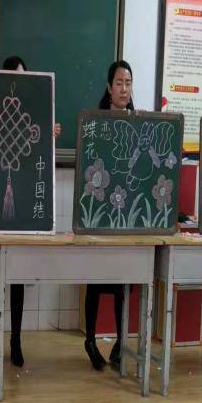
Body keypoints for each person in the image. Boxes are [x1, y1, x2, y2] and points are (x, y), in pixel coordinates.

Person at [0, 55, 61, 367]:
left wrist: (49, 136)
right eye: (15, 75)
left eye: (24, 75)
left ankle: (15, 340)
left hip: (21, 206)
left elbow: (38, 160)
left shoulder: (33, 111)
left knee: (16, 278)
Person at [83, 60, 134, 371]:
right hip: (101, 214)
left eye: (128, 83)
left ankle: (120, 342)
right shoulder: (96, 123)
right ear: (108, 87)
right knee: (95, 279)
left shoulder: (138, 123)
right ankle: (90, 340)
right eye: (119, 82)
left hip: (126, 218)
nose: (124, 88)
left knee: (122, 283)